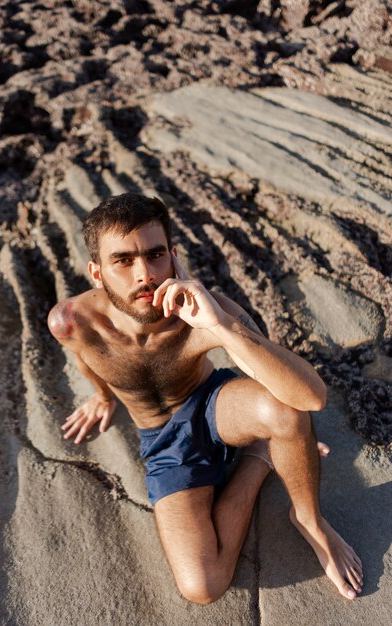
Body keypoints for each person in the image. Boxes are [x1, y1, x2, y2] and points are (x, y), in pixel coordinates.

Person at [47, 193, 363, 604]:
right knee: (203, 586)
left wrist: (219, 325)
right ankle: (261, 457)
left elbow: (310, 396)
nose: (144, 273)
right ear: (96, 271)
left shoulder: (203, 311)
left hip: (214, 404)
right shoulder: (70, 321)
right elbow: (87, 358)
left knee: (283, 409)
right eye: (123, 260)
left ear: (174, 257)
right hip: (162, 440)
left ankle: (309, 520)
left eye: (155, 254)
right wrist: (102, 397)